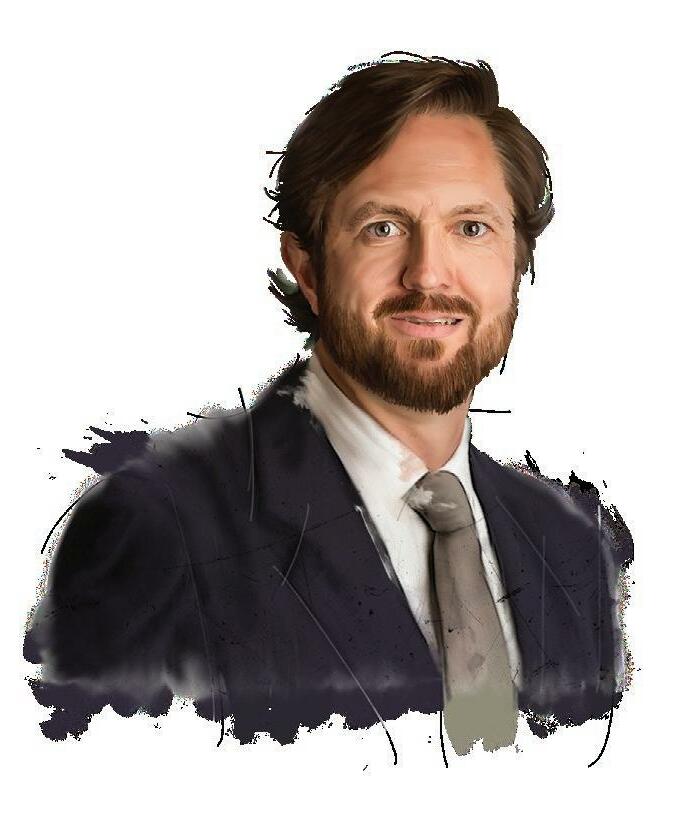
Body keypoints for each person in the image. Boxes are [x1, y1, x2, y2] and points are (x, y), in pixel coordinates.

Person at [25, 55, 632, 755]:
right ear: (308, 268)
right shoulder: (157, 533)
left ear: (516, 261)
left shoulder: (571, 548)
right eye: (382, 228)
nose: (428, 274)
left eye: (471, 228)